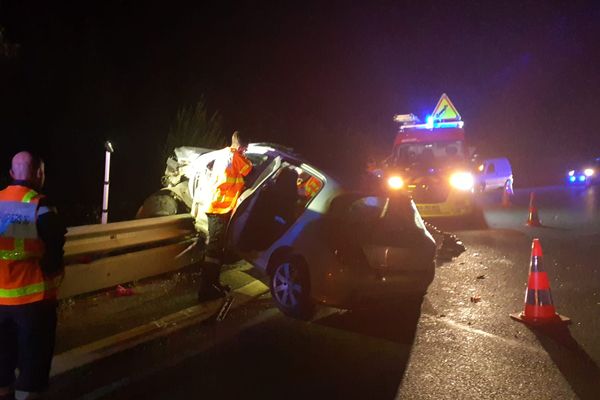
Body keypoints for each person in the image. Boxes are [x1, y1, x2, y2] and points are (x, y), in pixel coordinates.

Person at [0, 151, 66, 400]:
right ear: (39, 174)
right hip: (33, 302)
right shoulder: (40, 204)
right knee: (32, 368)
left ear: (11, 174)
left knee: (1, 366)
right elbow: (55, 245)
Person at [196, 131, 252, 301]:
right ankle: (205, 290)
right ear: (241, 147)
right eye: (245, 149)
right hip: (219, 208)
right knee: (214, 251)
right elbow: (249, 170)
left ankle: (213, 284)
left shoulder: (223, 154)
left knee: (217, 250)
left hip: (217, 206)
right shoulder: (235, 156)